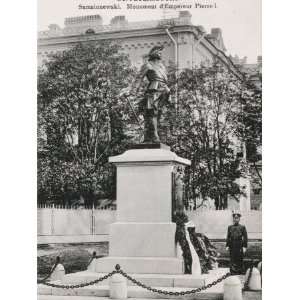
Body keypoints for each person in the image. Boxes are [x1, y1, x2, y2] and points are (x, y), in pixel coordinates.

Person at [120, 45, 171, 143]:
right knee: (150, 113)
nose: (160, 53)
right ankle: (152, 136)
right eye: (158, 51)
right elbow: (139, 78)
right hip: (153, 90)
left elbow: (165, 80)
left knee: (159, 114)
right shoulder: (148, 65)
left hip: (164, 91)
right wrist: (131, 92)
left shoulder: (162, 67)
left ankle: (154, 136)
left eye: (161, 52)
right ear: (153, 53)